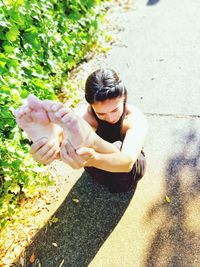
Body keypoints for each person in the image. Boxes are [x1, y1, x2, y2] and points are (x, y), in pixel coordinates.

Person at [15, 68, 148, 193]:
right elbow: (69, 138)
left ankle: (91, 140)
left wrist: (93, 158)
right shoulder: (82, 117)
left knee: (116, 148)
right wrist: (51, 147)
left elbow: (127, 163)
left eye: (114, 110)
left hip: (127, 172)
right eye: (101, 114)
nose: (110, 117)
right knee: (75, 140)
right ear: (90, 105)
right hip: (96, 164)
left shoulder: (135, 118)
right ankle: (60, 136)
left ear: (124, 97)